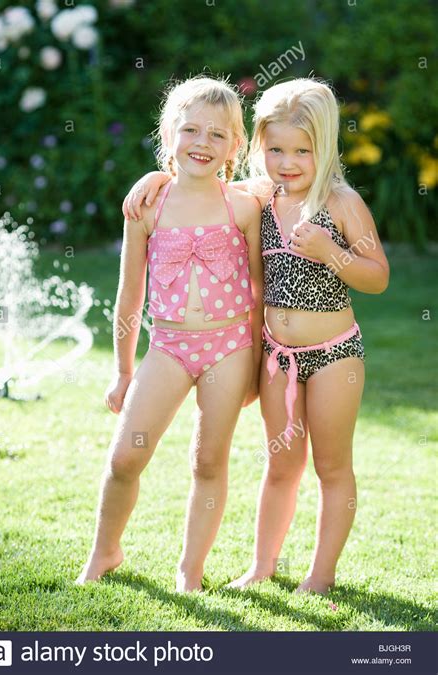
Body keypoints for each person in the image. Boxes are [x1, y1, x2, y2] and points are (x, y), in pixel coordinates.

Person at [122, 77, 389, 595]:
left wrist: (329, 253)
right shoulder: (259, 197)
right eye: (275, 149)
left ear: (325, 147)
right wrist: (153, 176)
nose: (287, 163)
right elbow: (196, 182)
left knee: (331, 466)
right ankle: (263, 565)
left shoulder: (340, 202)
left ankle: (321, 573)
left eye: (302, 151)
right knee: (281, 463)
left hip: (335, 355)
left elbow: (378, 276)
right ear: (258, 147)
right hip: (276, 355)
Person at [76, 75, 263, 592]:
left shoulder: (243, 207)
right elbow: (129, 298)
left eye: (217, 135)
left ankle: (190, 569)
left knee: (208, 459)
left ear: (235, 146)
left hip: (230, 348)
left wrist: (254, 367)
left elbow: (258, 295)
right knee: (125, 456)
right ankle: (105, 551)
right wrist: (122, 371)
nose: (202, 143)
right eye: (191, 130)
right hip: (169, 347)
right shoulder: (147, 207)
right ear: (169, 134)